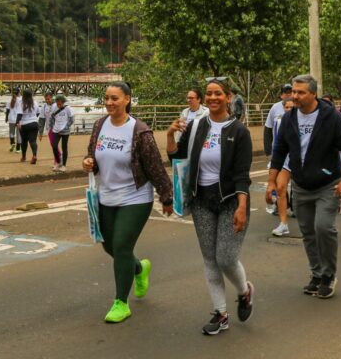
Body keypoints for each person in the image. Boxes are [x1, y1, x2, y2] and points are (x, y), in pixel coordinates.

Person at [167, 78, 254, 336]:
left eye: (218, 93)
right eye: (209, 94)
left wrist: (242, 206)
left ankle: (244, 291)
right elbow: (176, 157)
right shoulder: (195, 126)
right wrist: (170, 134)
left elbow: (242, 174)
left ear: (228, 97)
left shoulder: (239, 131)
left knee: (226, 257)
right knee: (210, 259)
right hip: (202, 200)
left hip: (230, 202)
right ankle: (221, 313)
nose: (213, 97)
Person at [83, 82, 174, 324]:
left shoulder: (140, 131)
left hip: (135, 197)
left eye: (115, 98)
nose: (110, 103)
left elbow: (154, 166)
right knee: (108, 246)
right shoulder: (99, 125)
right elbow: (93, 151)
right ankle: (138, 269)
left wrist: (166, 196)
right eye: (107, 98)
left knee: (122, 246)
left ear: (127, 100)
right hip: (106, 196)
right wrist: (88, 161)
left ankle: (120, 302)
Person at [267, 74, 341, 299]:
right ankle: (316, 274)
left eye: (300, 92)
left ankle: (329, 275)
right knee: (307, 232)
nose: (295, 96)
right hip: (301, 185)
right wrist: (271, 182)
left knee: (323, 227)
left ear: (313, 94)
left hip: (328, 183)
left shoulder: (330, 116)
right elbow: (279, 151)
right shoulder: (289, 118)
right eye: (294, 92)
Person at [268, 97, 295, 236]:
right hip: (285, 158)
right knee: (280, 188)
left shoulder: (302, 120)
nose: (289, 110)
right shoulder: (281, 121)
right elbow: (278, 142)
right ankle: (283, 224)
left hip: (300, 159)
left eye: (292, 107)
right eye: (287, 107)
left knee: (305, 190)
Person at [264, 84, 293, 156]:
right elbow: (268, 128)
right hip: (278, 149)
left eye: (291, 92)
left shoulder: (299, 106)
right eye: (286, 92)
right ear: (281, 95)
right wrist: (268, 150)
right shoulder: (275, 107)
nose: (289, 94)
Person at [49, 94, 75, 172]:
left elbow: (72, 119)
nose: (59, 105)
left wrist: (65, 128)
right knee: (54, 146)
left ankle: (64, 165)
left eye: (60, 104)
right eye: (57, 104)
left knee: (64, 147)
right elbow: (52, 117)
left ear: (63, 102)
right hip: (56, 130)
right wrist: (52, 126)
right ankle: (58, 162)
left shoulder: (68, 108)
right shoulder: (54, 107)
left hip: (65, 131)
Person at [15, 89, 40, 164]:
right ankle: (34, 155)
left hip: (24, 124)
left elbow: (19, 115)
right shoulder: (35, 103)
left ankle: (24, 157)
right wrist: (33, 118)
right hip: (34, 124)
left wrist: (17, 123)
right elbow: (38, 113)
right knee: (33, 141)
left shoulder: (22, 103)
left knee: (24, 141)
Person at [38, 91, 59, 169]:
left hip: (57, 129)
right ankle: (58, 159)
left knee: (54, 146)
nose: (47, 101)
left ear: (52, 97)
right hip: (49, 129)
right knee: (53, 146)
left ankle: (57, 161)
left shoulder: (57, 105)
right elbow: (41, 120)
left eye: (48, 99)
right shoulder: (44, 107)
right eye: (46, 99)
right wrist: (40, 133)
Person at [5, 87, 22, 153]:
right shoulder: (21, 99)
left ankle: (12, 143)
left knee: (11, 132)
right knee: (19, 134)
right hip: (19, 119)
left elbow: (7, 110)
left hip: (11, 118)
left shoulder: (9, 100)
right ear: (19, 92)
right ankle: (18, 149)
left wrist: (6, 118)